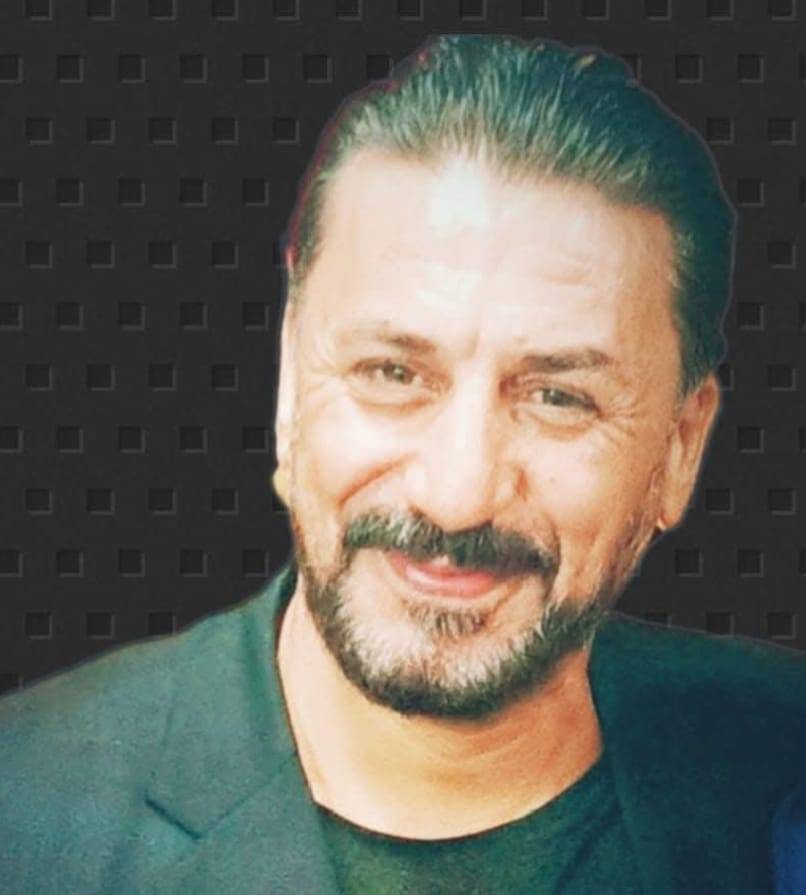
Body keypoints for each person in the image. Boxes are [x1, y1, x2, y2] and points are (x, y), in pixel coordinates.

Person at [2, 33, 805, 895]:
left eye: (558, 397)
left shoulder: (779, 755)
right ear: (290, 380)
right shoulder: (25, 811)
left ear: (681, 448)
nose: (457, 496)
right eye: (392, 373)